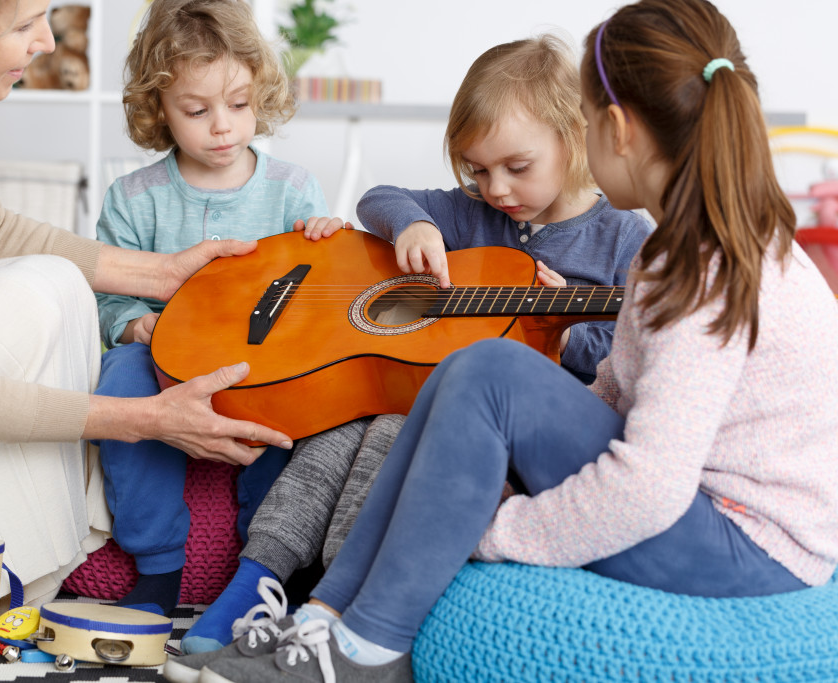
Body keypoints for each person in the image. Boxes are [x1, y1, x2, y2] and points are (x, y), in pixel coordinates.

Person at [165, 0, 838, 680]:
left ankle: (368, 647)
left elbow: (650, 489)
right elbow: (614, 394)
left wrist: (492, 534)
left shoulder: (701, 265)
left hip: (748, 545)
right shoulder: (682, 248)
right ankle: (328, 614)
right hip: (709, 516)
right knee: (476, 367)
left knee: (488, 369)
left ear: (613, 128)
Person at [177, 33, 651, 654]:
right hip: (408, 383)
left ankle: (343, 601)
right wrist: (418, 224)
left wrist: (561, 327)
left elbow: (632, 349)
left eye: (517, 167)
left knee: (388, 435)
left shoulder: (622, 235)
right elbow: (380, 199)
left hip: (492, 422)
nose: (497, 188)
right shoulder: (476, 210)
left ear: (575, 136)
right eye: (478, 170)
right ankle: (256, 579)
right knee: (338, 427)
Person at [0, 0, 293, 606]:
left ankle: (10, 561)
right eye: (23, 26)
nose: (47, 41)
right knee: (39, 311)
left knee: (56, 285)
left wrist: (167, 272)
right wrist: (149, 422)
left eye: (47, 15)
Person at [90, 0, 334, 617]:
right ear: (160, 110)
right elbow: (106, 295)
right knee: (118, 382)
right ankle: (160, 564)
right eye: (197, 111)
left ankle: (272, 561)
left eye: (240, 104)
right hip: (163, 360)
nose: (222, 126)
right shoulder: (134, 198)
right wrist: (130, 323)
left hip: (266, 367)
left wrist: (330, 242)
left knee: (311, 405)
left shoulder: (292, 189)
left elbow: (321, 291)